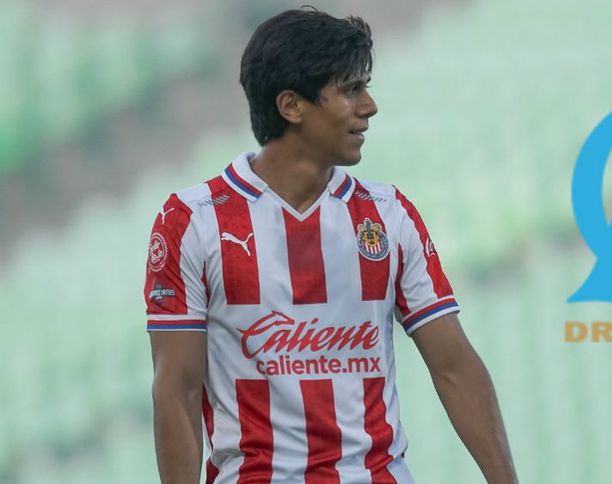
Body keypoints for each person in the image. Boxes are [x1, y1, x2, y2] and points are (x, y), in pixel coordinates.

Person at [145, 8, 517, 484]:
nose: (370, 106)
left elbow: (455, 367)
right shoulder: (192, 221)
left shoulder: (388, 214)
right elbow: (176, 390)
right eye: (351, 89)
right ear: (292, 106)